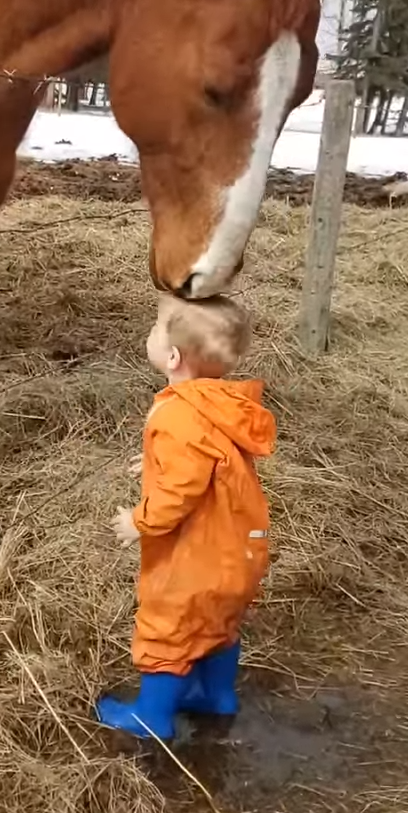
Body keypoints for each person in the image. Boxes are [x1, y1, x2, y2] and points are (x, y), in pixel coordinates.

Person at [96, 293, 276, 740]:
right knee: (219, 622)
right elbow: (209, 459)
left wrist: (139, 521)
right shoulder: (219, 405)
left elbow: (179, 491)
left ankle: (151, 717)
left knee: (169, 627)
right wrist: (155, 460)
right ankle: (215, 696)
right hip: (237, 553)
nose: (151, 333)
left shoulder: (178, 415)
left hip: (196, 558)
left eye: (157, 329)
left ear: (172, 356)